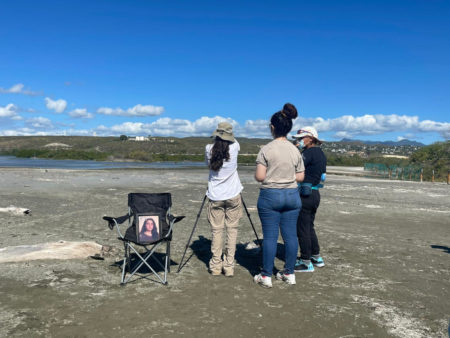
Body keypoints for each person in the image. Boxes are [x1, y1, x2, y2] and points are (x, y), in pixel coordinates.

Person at [253, 103, 305, 288]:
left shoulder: (266, 149)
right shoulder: (295, 150)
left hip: (270, 196)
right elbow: (300, 176)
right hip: (292, 195)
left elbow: (260, 177)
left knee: (269, 237)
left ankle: (266, 275)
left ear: (272, 128)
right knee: (291, 236)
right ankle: (289, 273)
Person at [205, 122, 243, 277]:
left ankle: (215, 265)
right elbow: (234, 141)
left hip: (215, 195)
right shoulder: (235, 147)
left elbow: (209, 165)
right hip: (233, 193)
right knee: (232, 230)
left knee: (216, 231)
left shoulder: (208, 149)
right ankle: (229, 266)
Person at [292, 126, 327, 272]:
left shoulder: (309, 153)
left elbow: (294, 166)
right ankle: (315, 256)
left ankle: (305, 261)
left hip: (305, 194)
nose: (298, 141)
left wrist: (294, 151)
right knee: (309, 226)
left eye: (301, 138)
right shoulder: (320, 153)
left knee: (302, 228)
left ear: (310, 139)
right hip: (314, 194)